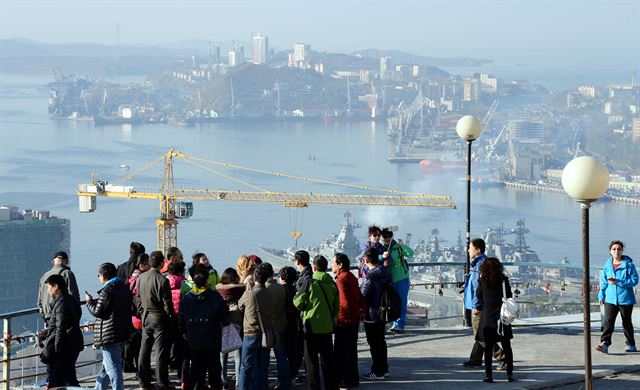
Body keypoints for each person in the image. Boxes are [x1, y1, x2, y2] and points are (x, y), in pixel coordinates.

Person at [180, 264, 229, 390]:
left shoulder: (187, 299)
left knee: (196, 370)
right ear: (207, 279)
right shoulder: (214, 296)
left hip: (194, 340)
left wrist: (184, 331)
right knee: (214, 370)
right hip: (212, 339)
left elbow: (181, 319)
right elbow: (224, 315)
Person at [293, 255, 339, 390]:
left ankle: (314, 387)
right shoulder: (332, 283)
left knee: (311, 360)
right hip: (327, 326)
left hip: (311, 326)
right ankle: (332, 386)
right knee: (327, 359)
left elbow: (298, 302)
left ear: (314, 267)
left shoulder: (310, 282)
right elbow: (337, 306)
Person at [85, 262, 133, 390]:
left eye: (98, 275)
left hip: (109, 333)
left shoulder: (108, 290)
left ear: (104, 275)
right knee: (107, 366)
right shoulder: (123, 288)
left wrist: (89, 302)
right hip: (121, 331)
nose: (98, 278)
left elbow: (99, 312)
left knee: (113, 367)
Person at [462, 238, 505, 369]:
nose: (468, 250)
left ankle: (502, 357)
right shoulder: (482, 263)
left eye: (470, 248)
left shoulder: (480, 265)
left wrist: (476, 305)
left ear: (478, 250)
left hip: (480, 306)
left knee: (481, 335)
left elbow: (477, 288)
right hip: (484, 305)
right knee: (479, 333)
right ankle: (475, 359)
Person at [137, 250, 176, 390]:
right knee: (160, 352)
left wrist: (142, 311)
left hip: (146, 316)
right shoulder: (162, 280)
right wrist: (171, 317)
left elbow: (138, 298)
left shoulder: (140, 277)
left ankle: (143, 381)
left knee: (144, 349)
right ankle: (162, 383)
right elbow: (167, 303)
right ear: (161, 263)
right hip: (159, 317)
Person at [474, 257, 514, 383]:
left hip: (488, 317)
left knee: (488, 347)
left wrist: (480, 279)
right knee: (507, 346)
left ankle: (489, 375)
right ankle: (509, 374)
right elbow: (509, 296)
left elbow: (479, 295)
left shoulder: (483, 281)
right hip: (502, 317)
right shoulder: (503, 280)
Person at [41, 274, 84, 388]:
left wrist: (57, 348)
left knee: (64, 379)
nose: (49, 292)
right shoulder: (70, 299)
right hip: (73, 342)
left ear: (55, 287)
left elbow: (61, 327)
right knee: (67, 377)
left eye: (49, 288)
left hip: (65, 346)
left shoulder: (61, 303)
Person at [595, 240, 638, 354]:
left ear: (622, 251)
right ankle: (604, 344)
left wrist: (618, 282)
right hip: (610, 299)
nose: (616, 251)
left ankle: (631, 345)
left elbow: (634, 280)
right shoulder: (608, 265)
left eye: (619, 249)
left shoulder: (629, 265)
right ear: (610, 251)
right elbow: (603, 282)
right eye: (614, 249)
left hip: (626, 299)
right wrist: (601, 296)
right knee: (608, 322)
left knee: (626, 322)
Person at [238, 264, 276, 390]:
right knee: (263, 365)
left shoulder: (249, 294)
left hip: (250, 333)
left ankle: (243, 387)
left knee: (246, 366)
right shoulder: (271, 294)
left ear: (254, 278)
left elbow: (240, 306)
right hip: (266, 333)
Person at [332, 253, 365, 389]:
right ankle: (352, 378)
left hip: (344, 319)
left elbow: (344, 302)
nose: (331, 265)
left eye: (333, 262)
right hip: (354, 319)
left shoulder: (340, 279)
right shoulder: (351, 276)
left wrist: (352, 312)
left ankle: (343, 381)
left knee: (341, 351)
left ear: (340, 265)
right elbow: (358, 294)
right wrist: (360, 311)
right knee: (351, 350)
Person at [360, 248, 391, 381]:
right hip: (383, 312)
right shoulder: (385, 272)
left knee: (374, 343)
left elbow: (363, 297)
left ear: (365, 260)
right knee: (381, 342)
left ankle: (377, 371)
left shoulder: (370, 277)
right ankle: (384, 369)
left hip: (372, 314)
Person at [216, 267, 246, 389]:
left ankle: (224, 380)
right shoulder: (239, 289)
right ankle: (239, 381)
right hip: (237, 320)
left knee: (223, 354)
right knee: (238, 353)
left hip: (223, 322)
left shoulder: (219, 289)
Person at [380, 227, 414, 333]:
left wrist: (402, 245)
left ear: (392, 236)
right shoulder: (382, 249)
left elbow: (410, 253)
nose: (387, 239)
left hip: (402, 279)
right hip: (390, 280)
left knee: (402, 301)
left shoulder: (397, 247)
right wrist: (382, 256)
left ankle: (400, 324)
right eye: (385, 236)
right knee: (392, 303)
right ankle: (394, 324)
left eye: (389, 236)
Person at [263, 262, 291, 390]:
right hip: (280, 325)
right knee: (281, 357)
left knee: (264, 358)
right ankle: (285, 382)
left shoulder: (264, 289)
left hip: (267, 328)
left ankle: (263, 381)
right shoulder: (281, 288)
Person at [124, 253, 151, 373]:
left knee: (134, 342)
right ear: (142, 265)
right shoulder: (140, 278)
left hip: (131, 313)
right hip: (138, 314)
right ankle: (142, 369)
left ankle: (129, 365)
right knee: (140, 343)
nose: (150, 266)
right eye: (148, 263)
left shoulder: (132, 275)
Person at [38, 251, 80, 325]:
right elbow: (74, 295)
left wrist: (44, 315)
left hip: (48, 317)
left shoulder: (44, 276)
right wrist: (76, 314)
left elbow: (39, 301)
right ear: (66, 261)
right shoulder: (67, 273)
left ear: (53, 262)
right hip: (63, 314)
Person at [279, 266, 301, 383]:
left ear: (282, 277)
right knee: (293, 351)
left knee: (282, 352)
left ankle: (283, 376)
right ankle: (293, 374)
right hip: (293, 323)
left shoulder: (280, 290)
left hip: (282, 323)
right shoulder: (295, 290)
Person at [167, 261, 187, 377]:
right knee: (181, 344)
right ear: (181, 271)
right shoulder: (186, 284)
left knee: (169, 343)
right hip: (181, 317)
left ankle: (170, 364)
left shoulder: (164, 281)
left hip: (168, 317)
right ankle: (182, 373)